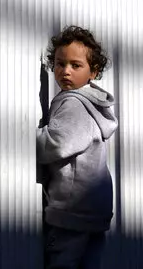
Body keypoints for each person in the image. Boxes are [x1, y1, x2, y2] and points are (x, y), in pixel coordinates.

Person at [37, 26, 118, 269]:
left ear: (93, 71)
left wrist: (26, 139)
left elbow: (59, 143)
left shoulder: (73, 103)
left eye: (75, 65)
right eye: (60, 64)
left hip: (72, 211)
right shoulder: (92, 104)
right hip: (95, 209)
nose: (65, 71)